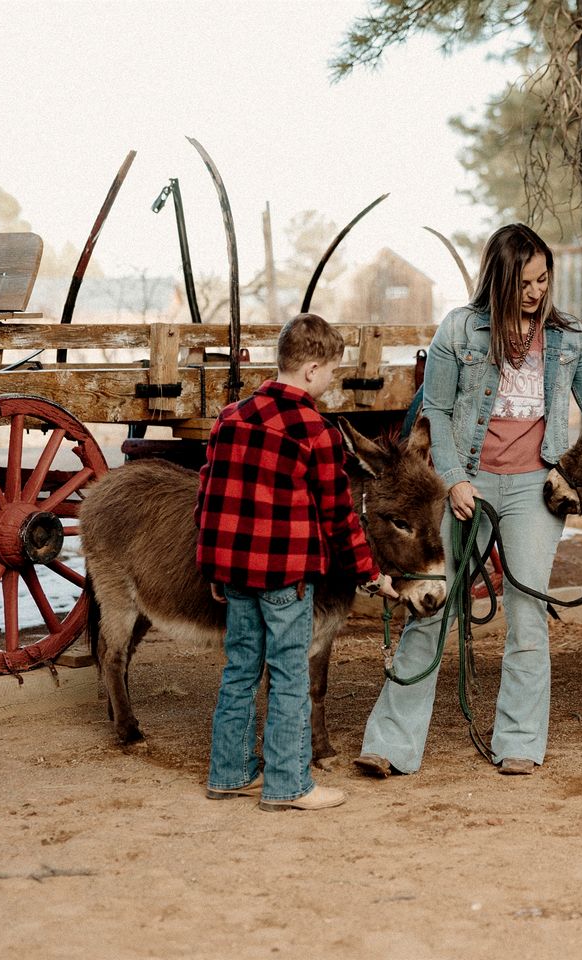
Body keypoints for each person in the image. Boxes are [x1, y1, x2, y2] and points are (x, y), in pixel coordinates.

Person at [356, 223, 582, 777]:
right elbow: (438, 411)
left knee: (526, 613)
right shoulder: (459, 330)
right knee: (433, 607)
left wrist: (579, 479)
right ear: (498, 280)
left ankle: (518, 739)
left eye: (544, 279)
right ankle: (391, 743)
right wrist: (451, 478)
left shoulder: (572, 340)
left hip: (534, 490)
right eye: (524, 283)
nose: (537, 292)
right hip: (464, 483)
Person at [196, 313, 397, 812]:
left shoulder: (231, 417)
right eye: (330, 372)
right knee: (289, 674)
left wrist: (212, 567)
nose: (330, 382)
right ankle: (288, 784)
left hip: (236, 573)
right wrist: (371, 574)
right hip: (287, 579)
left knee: (240, 668)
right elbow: (338, 516)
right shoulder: (316, 432)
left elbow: (208, 496)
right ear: (309, 369)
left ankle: (230, 772)